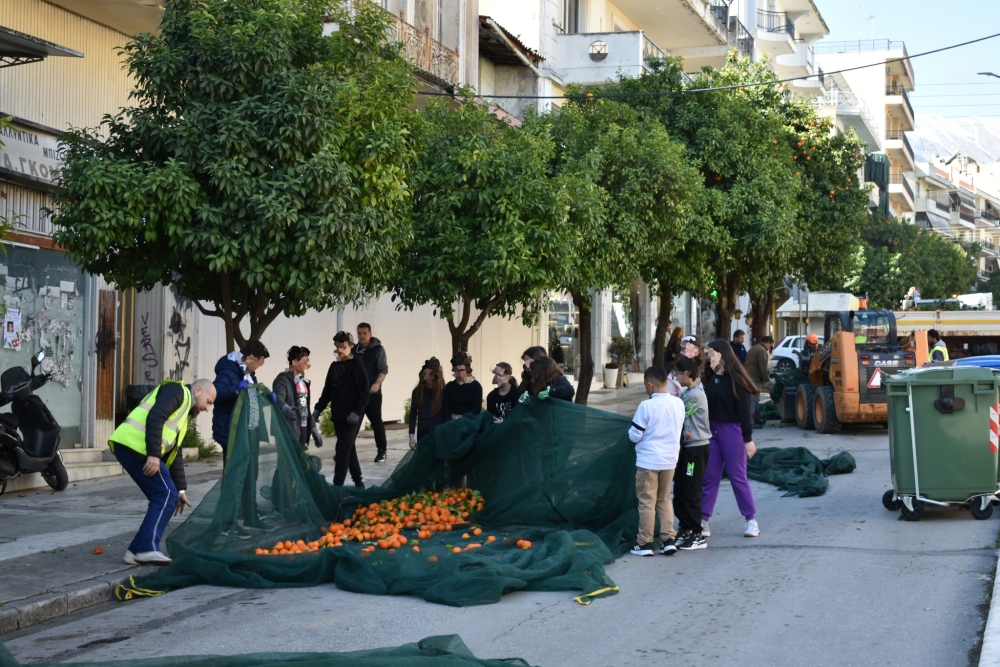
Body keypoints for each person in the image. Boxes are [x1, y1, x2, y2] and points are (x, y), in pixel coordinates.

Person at [109, 379, 216, 566]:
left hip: (134, 447)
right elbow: (155, 416)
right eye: (209, 402)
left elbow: (176, 453)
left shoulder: (183, 415)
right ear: (198, 390)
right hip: (134, 446)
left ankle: (135, 551)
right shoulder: (177, 391)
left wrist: (181, 490)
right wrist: (154, 455)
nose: (207, 409)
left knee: (168, 494)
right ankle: (146, 549)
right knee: (165, 493)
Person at [701, 339, 760, 539]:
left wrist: (748, 438)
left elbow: (745, 412)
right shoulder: (711, 378)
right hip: (713, 431)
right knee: (710, 476)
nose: (709, 358)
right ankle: (703, 520)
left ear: (723, 355)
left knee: (737, 476)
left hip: (732, 431)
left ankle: (751, 520)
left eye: (712, 354)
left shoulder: (738, 380)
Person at [627, 366, 685, 557]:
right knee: (664, 498)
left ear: (649, 385)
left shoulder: (646, 406)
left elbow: (634, 435)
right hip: (670, 461)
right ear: (666, 383)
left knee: (646, 502)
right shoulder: (678, 403)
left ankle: (644, 543)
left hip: (648, 462)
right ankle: (668, 540)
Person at [313, 332, 370, 488]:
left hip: (351, 417)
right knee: (348, 448)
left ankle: (338, 485)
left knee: (342, 449)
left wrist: (357, 412)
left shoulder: (357, 365)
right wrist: (318, 408)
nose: (340, 350)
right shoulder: (334, 366)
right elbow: (328, 391)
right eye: (337, 347)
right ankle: (359, 483)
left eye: (343, 347)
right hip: (338, 415)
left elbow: (365, 391)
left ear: (351, 346)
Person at [672, 356, 710, 551]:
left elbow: (675, 411)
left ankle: (697, 533)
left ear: (687, 374)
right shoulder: (691, 391)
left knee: (691, 490)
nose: (676, 377)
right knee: (680, 490)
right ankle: (685, 528)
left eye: (678, 373)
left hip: (695, 450)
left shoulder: (693, 396)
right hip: (688, 448)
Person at [212, 341, 270, 465]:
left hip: (248, 431)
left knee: (248, 469)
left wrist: (265, 398)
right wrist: (235, 390)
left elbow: (252, 397)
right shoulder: (227, 370)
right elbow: (216, 391)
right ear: (250, 358)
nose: (257, 368)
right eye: (258, 363)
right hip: (231, 430)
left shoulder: (248, 374)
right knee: (234, 470)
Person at [273, 346, 323, 450]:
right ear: (294, 362)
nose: (307, 364)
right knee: (288, 463)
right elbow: (278, 397)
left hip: (303, 428)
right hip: (288, 429)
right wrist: (286, 408)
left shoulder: (303, 382)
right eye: (304, 361)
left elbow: (305, 407)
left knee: (301, 461)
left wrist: (313, 429)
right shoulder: (282, 380)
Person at [353, 323, 389, 463]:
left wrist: (377, 384)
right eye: (359, 333)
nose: (361, 336)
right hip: (357, 394)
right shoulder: (354, 350)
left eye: (364, 333)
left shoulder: (378, 350)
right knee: (353, 423)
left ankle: (382, 451)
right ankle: (346, 451)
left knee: (376, 422)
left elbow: (383, 369)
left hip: (373, 394)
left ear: (370, 334)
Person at [408, 358, 450, 448]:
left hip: (438, 431)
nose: (429, 378)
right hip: (423, 431)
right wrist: (411, 434)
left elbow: (446, 414)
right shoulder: (417, 391)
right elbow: (413, 414)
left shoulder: (443, 391)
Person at [745, 336, 774, 428]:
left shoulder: (754, 348)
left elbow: (755, 364)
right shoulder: (762, 351)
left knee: (754, 400)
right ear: (768, 342)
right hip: (754, 378)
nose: (770, 348)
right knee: (753, 400)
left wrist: (767, 373)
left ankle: (757, 419)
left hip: (748, 376)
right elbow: (762, 367)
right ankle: (750, 422)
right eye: (770, 345)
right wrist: (767, 380)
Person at [445, 352, 483, 419]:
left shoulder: (475, 386)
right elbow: (446, 408)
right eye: (456, 371)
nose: (458, 374)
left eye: (461, 370)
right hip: (452, 422)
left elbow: (476, 408)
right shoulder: (449, 386)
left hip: (469, 422)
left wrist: (464, 419)